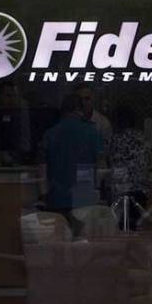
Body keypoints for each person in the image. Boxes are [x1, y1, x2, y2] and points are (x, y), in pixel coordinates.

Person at [38, 92, 104, 236]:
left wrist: (43, 194)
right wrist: (98, 189)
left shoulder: (50, 134)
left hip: (56, 197)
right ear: (78, 109)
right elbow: (100, 165)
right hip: (84, 197)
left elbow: (42, 168)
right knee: (84, 243)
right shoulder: (92, 131)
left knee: (59, 243)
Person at [107, 104, 151, 230]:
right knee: (135, 227)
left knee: (121, 227)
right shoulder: (141, 138)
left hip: (122, 189)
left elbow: (111, 161)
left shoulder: (117, 139)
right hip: (141, 189)